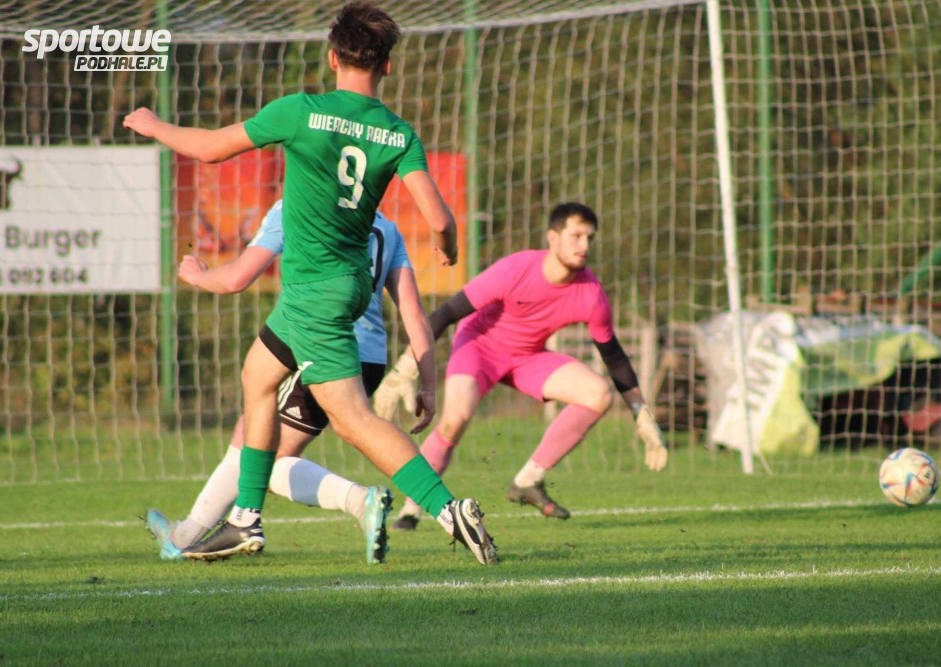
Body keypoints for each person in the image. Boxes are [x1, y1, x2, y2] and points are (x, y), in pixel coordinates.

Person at [124, 1, 497, 565]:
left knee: (355, 421)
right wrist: (447, 248)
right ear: (387, 66)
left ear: (332, 57)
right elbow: (440, 220)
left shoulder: (299, 111)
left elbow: (208, 150)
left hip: (315, 294)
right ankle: (244, 518)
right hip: (339, 287)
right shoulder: (398, 134)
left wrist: (153, 125)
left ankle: (449, 510)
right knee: (257, 375)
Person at [146, 203, 431, 565]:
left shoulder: (299, 205)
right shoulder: (386, 226)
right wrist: (429, 381)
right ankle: (185, 535)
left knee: (264, 455)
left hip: (320, 340)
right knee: (251, 432)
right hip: (370, 355)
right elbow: (413, 311)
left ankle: (361, 500)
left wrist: (199, 275)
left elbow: (237, 277)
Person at [374, 202, 668, 527]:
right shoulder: (516, 269)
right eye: (576, 236)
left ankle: (528, 481)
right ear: (553, 238)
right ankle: (412, 510)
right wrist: (406, 369)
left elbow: (614, 356)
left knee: (598, 393)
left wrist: (641, 413)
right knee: (454, 420)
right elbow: (444, 315)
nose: (584, 245)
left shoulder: (591, 293)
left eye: (589, 238)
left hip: (528, 357)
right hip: (478, 347)